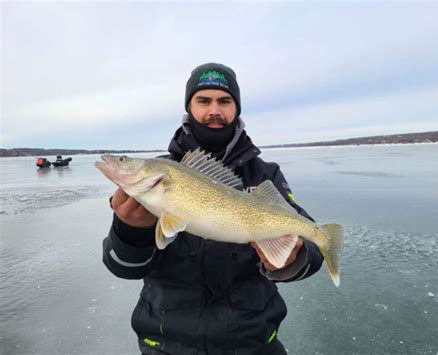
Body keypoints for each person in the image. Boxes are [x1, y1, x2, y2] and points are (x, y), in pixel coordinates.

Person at [102, 63, 324, 355]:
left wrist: (291, 259)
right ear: (189, 107)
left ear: (236, 108)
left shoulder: (264, 175)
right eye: (203, 101)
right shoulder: (161, 174)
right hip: (167, 346)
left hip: (253, 344)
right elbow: (122, 267)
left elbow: (311, 246)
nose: (214, 111)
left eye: (224, 101)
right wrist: (129, 230)